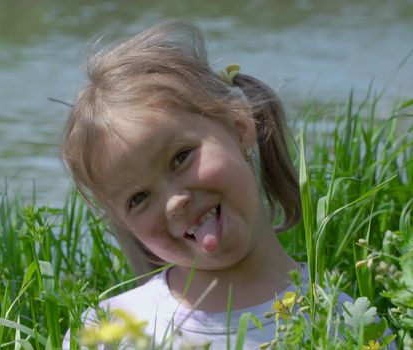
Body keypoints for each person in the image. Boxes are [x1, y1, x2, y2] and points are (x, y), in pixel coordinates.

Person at [60, 21, 331, 349]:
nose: (174, 202)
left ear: (239, 127)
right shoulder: (108, 329)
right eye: (139, 197)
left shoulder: (336, 317)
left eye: (180, 158)